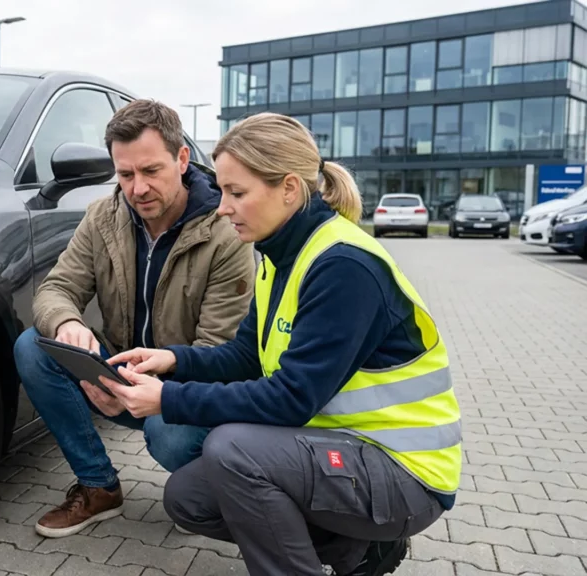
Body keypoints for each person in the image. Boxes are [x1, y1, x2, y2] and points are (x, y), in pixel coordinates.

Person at [99, 112, 462, 576]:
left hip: (404, 474)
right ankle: (360, 551)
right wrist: (172, 360)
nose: (222, 207)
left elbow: (291, 399)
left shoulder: (343, 266)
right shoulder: (279, 255)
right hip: (345, 451)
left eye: (236, 192)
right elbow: (246, 357)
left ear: (289, 188)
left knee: (234, 450)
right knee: (189, 498)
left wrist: (166, 399)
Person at [13, 99, 256, 539]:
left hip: (190, 392)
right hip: (123, 376)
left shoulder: (226, 232)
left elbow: (222, 354)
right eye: (125, 175)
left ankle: (206, 495)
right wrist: (68, 323)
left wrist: (150, 394)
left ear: (182, 159)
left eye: (151, 171)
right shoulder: (102, 217)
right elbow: (55, 289)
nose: (138, 188)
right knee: (33, 346)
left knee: (167, 435)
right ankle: (99, 488)